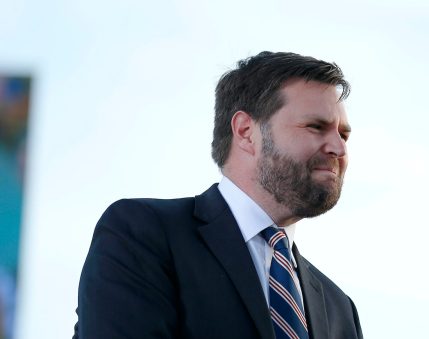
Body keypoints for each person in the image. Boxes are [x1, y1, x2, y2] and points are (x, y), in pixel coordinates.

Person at [73, 51, 363, 339]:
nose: (339, 149)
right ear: (246, 131)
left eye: (344, 135)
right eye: (316, 127)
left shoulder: (339, 309)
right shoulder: (143, 235)